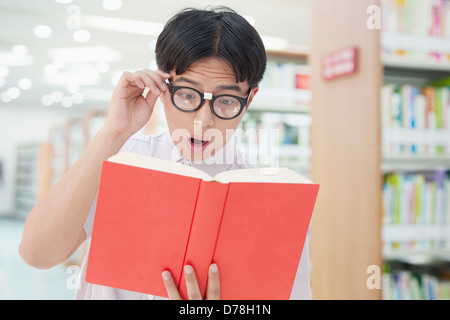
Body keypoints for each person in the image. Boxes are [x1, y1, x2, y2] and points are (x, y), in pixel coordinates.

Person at [19, 6, 311, 300]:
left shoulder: (271, 203)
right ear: (161, 86)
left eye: (226, 101)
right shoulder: (124, 160)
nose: (203, 122)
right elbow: (38, 254)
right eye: (187, 94)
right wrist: (113, 134)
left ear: (249, 101)